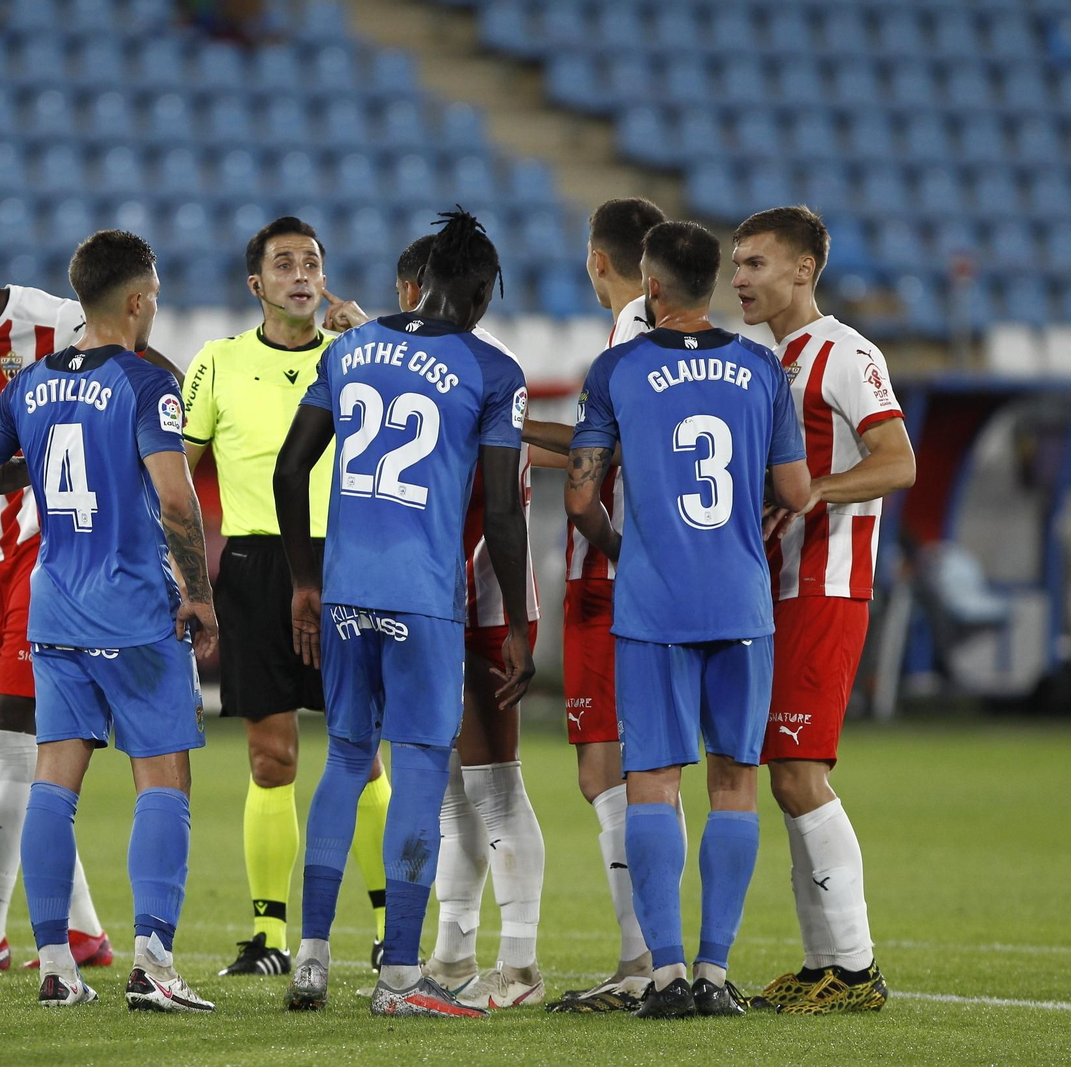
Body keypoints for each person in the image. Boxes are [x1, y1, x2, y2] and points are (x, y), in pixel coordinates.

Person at [276, 209, 535, 1019]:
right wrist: (522, 623)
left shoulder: (348, 349)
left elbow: (290, 471)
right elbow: (500, 511)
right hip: (425, 599)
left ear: (418, 283)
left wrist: (305, 580)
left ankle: (310, 957)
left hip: (346, 589)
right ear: (481, 292)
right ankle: (398, 976)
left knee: (346, 761)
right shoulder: (492, 371)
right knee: (420, 769)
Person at [0, 230, 218, 1012]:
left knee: (53, 783)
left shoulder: (30, 383)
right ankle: (153, 964)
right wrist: (200, 596)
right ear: (138, 300)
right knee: (163, 777)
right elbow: (177, 498)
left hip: (54, 605)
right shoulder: (145, 386)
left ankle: (53, 967)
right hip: (134, 608)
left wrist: (33, 462)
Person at [0, 263, 179, 973]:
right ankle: (82, 931)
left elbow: (152, 375)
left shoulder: (54, 320)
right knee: (18, 748)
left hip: (45, 547)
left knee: (21, 744)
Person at [565, 220, 811, 1019]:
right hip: (741, 599)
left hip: (654, 602)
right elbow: (797, 491)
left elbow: (579, 495)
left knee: (653, 782)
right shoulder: (763, 370)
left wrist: (624, 546)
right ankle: (714, 970)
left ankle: (665, 973)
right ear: (710, 283)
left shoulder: (618, 369)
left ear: (652, 285)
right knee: (734, 784)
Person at [182, 217, 392, 977]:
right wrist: (186, 574)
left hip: (349, 565)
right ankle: (268, 936)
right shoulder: (218, 361)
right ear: (256, 284)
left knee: (362, 756)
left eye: (312, 262)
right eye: (283, 263)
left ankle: (383, 924)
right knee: (271, 758)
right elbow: (179, 468)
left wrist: (367, 332)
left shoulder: (358, 355)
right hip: (254, 568)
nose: (301, 274)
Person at [732, 205, 915, 1014]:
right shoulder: (762, 358)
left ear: (803, 269)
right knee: (784, 774)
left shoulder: (845, 352)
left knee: (802, 772)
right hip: (774, 592)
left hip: (828, 585)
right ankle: (823, 965)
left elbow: (898, 460)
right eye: (736, 264)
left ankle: (857, 965)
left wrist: (814, 499)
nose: (740, 278)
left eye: (756, 264)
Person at [528, 198, 677, 1013]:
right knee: (647, 768)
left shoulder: (623, 345)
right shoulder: (671, 342)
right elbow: (600, 442)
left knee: (606, 771)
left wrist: (625, 559)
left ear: (598, 261)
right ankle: (659, 953)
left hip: (610, 582)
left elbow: (594, 467)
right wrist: (516, 428)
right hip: (657, 584)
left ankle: (641, 957)